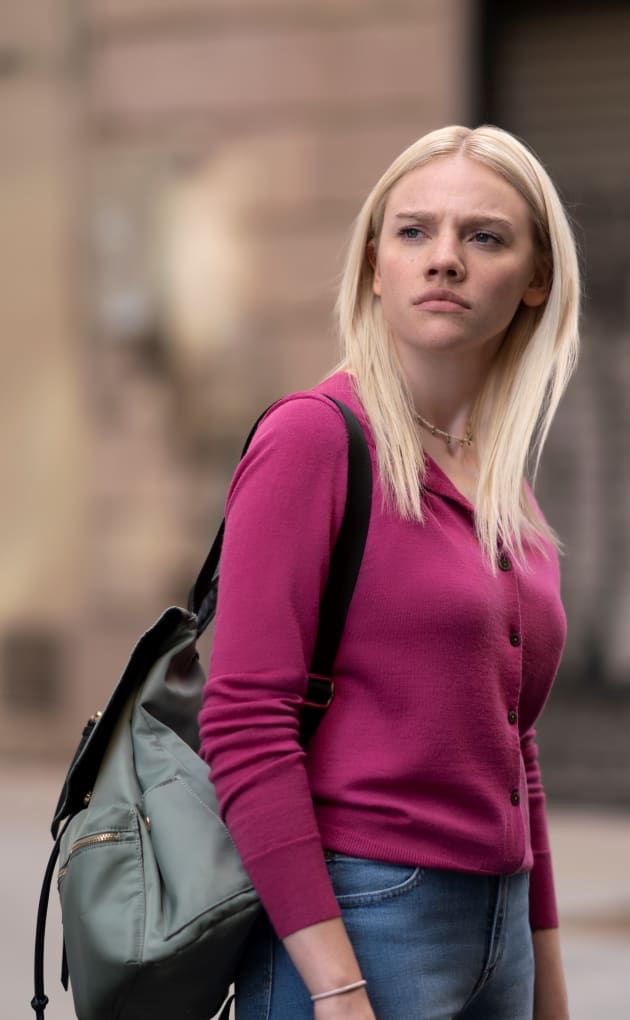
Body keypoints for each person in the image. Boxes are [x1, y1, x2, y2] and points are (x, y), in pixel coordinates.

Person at [199, 124, 579, 1020]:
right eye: (413, 232)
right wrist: (335, 986)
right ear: (375, 266)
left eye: (483, 236)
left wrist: (546, 982)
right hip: (364, 919)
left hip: (504, 925)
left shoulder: (501, 484)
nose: (443, 259)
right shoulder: (314, 440)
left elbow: (513, 748)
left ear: (534, 280)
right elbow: (245, 720)